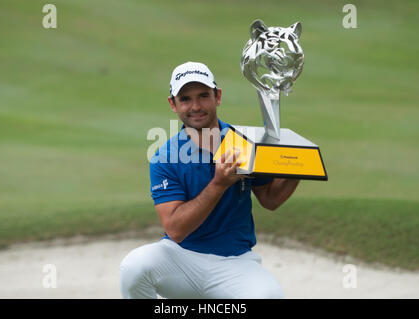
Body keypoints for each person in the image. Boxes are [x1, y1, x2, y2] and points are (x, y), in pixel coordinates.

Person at [119, 61, 300, 299]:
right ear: (173, 104)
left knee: (270, 297)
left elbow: (270, 199)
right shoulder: (165, 157)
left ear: (218, 97)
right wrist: (218, 184)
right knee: (133, 268)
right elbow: (175, 229)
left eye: (204, 96)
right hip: (181, 258)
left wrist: (298, 168)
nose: (195, 106)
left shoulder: (243, 143)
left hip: (236, 262)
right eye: (185, 99)